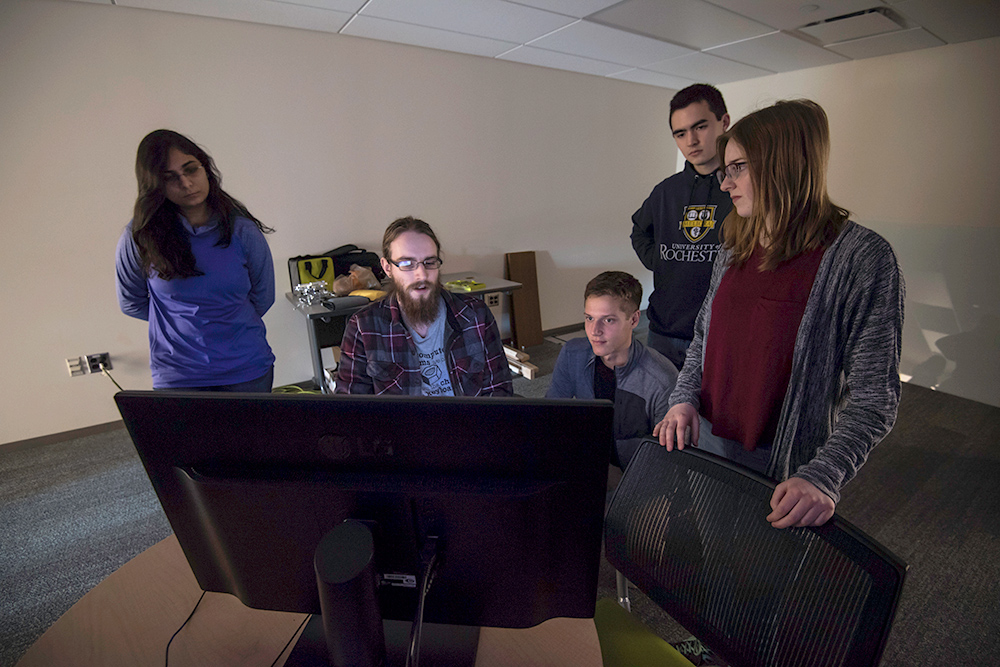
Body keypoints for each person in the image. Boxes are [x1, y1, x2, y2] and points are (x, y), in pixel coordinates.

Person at [654, 100, 905, 529]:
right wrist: (682, 399)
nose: (726, 183)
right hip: (709, 437)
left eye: (738, 168)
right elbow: (704, 338)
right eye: (725, 170)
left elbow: (874, 398)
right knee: (710, 549)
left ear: (781, 165)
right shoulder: (734, 245)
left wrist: (825, 473)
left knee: (762, 580)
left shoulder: (861, 258)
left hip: (785, 459)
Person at [116, 130, 276, 392]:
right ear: (155, 185)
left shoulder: (243, 231)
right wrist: (182, 324)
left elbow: (264, 296)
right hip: (178, 375)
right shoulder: (139, 237)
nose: (187, 184)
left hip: (247, 368)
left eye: (191, 170)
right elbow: (131, 302)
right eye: (170, 179)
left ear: (206, 168)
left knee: (250, 435)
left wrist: (223, 322)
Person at [335, 216, 513, 396]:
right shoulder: (363, 327)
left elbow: (499, 390)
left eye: (429, 262)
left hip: (468, 422)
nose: (422, 275)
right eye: (406, 263)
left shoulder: (476, 315)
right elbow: (351, 408)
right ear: (387, 268)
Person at [630, 84, 732, 370]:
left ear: (723, 122)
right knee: (661, 410)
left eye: (700, 127)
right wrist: (660, 261)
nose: (691, 140)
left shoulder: (742, 190)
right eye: (680, 133)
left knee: (710, 413)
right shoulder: (666, 191)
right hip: (664, 330)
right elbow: (639, 230)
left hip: (720, 333)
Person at [547, 271, 677, 469]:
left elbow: (667, 460)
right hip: (588, 467)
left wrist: (616, 480)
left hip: (638, 479)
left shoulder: (661, 378)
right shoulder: (573, 353)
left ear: (634, 320)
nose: (594, 331)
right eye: (589, 318)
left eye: (608, 320)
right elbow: (551, 417)